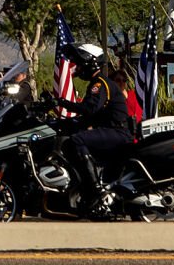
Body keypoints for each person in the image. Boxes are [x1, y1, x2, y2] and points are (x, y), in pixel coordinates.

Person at [53, 42, 137, 215]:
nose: (77, 68)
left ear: (89, 63)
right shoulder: (99, 83)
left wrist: (61, 102)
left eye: (79, 63)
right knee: (75, 135)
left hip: (117, 132)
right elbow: (91, 115)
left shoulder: (99, 84)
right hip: (114, 130)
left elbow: (89, 109)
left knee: (77, 141)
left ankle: (94, 189)